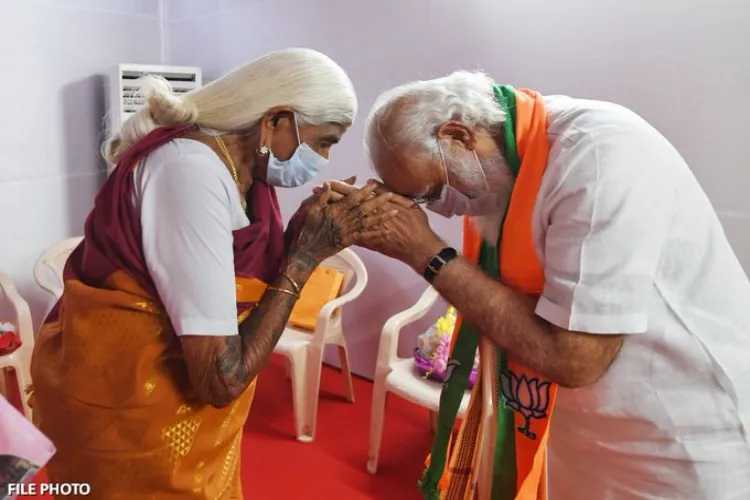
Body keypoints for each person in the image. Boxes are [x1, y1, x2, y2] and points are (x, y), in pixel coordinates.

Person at [325, 71, 750, 499]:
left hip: (678, 443)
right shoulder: (506, 164)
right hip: (579, 431)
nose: (444, 211)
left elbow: (575, 360)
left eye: (432, 191)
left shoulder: (598, 156)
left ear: (458, 137)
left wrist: (426, 253)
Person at [29, 48, 394, 499]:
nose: (321, 159)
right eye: (325, 141)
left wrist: (299, 234)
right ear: (276, 120)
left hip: (177, 416)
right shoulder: (189, 171)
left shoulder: (243, 172)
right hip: (130, 416)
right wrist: (303, 257)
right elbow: (220, 379)